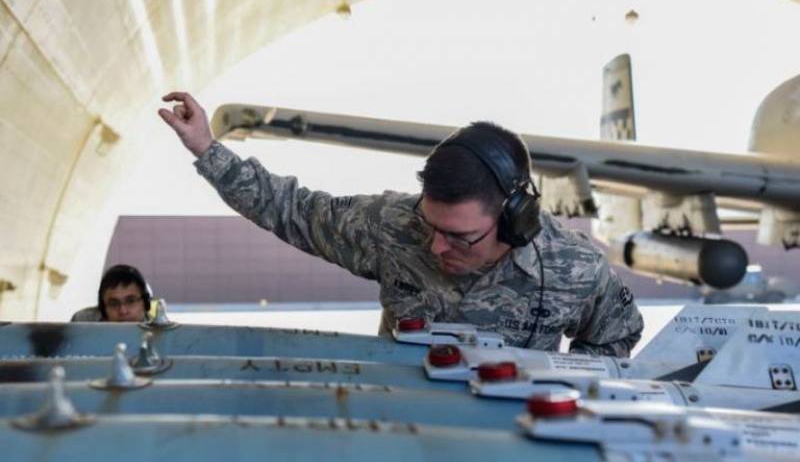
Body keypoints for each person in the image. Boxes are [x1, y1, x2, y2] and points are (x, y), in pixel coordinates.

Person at [159, 92, 643, 356]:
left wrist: (558, 382)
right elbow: (292, 209)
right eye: (431, 225)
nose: (435, 247)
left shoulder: (573, 268)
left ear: (515, 218)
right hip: (403, 429)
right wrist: (207, 149)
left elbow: (618, 334)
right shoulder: (391, 226)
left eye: (459, 237)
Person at [71, 264, 151, 322]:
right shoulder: (82, 323)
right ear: (103, 308)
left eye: (130, 301)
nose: (123, 311)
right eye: (114, 304)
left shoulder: (157, 333)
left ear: (145, 303)